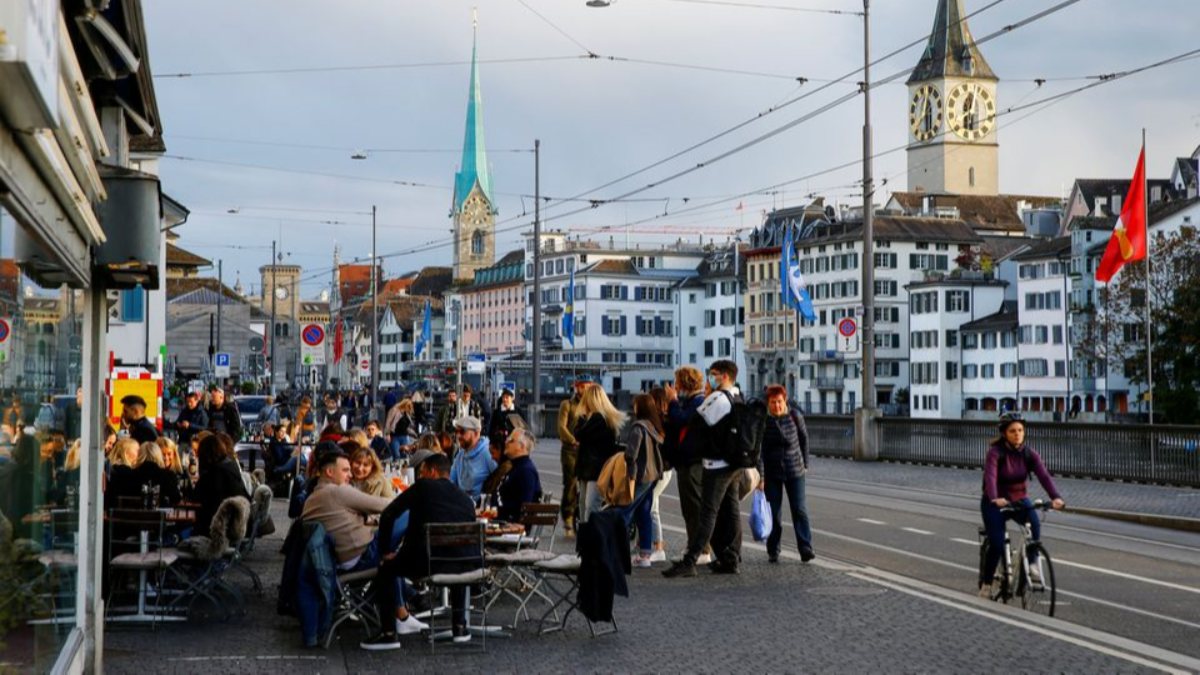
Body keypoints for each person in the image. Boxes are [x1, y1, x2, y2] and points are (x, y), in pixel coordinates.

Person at [366, 452, 478, 649]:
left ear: (432, 472)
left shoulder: (423, 487)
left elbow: (389, 514)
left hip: (425, 562)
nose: (420, 476)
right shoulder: (465, 499)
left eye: (422, 472)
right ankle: (460, 627)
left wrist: (385, 550)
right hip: (464, 565)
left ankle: (389, 634)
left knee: (386, 568)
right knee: (455, 559)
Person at [664, 359, 746, 578]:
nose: (710, 378)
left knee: (707, 512)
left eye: (714, 374)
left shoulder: (718, 398)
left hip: (717, 464)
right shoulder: (738, 395)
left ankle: (691, 560)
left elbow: (694, 423)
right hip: (733, 463)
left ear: (725, 376)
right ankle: (731, 557)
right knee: (731, 511)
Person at [979, 413, 1065, 598]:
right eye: (1012, 431)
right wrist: (994, 497)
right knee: (997, 544)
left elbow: (1044, 476)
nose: (1017, 434)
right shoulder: (995, 452)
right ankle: (986, 584)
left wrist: (1055, 497)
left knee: (1034, 522)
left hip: (1019, 499)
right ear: (1004, 433)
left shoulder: (1029, 454)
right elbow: (991, 477)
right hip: (994, 503)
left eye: (1020, 430)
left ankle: (1033, 564)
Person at [757, 384, 813, 563]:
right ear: (768, 403)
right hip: (772, 473)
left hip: (794, 469)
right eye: (773, 402)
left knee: (800, 510)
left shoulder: (795, 416)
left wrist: (805, 463)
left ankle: (805, 547)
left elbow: (804, 439)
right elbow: (760, 452)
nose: (777, 406)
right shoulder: (764, 421)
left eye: (780, 402)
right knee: (774, 513)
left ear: (785, 401)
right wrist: (761, 477)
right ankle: (773, 549)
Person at [663, 365, 712, 566]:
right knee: (689, 508)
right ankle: (694, 547)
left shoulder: (698, 401)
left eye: (677, 383)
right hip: (687, 462)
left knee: (694, 508)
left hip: (693, 463)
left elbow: (682, 420)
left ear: (684, 383)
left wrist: (673, 401)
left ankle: (700, 550)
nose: (675, 387)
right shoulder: (693, 401)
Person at [620, 393, 665, 568]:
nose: (633, 407)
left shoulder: (638, 427)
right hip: (653, 475)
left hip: (641, 476)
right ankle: (645, 554)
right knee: (643, 513)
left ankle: (618, 552)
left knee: (625, 511)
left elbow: (631, 454)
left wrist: (630, 475)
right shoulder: (654, 427)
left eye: (635, 404)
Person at [573, 385, 627, 524]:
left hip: (594, 470)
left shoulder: (598, 418)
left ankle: (591, 538)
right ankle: (586, 538)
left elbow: (579, 434)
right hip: (592, 469)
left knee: (589, 506)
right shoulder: (604, 418)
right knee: (585, 505)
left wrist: (582, 418)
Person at [192, 433, 250, 536]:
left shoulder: (215, 473)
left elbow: (196, 497)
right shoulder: (230, 466)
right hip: (236, 522)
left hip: (219, 527)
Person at [556, 377, 591, 535]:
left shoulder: (592, 405)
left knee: (587, 485)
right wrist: (572, 440)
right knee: (570, 484)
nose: (584, 390)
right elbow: (561, 427)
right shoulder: (567, 405)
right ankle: (568, 519)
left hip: (586, 450)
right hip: (570, 450)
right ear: (576, 388)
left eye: (587, 386)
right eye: (581, 386)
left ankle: (583, 518)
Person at [647, 387, 674, 562]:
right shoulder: (666, 419)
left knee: (651, 507)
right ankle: (652, 544)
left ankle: (658, 546)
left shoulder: (659, 421)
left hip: (660, 470)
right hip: (664, 470)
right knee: (651, 506)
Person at [495, 429, 542, 523]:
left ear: (521, 446)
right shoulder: (517, 467)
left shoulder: (526, 471)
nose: (506, 442)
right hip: (501, 520)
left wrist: (495, 511)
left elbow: (523, 507)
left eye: (511, 440)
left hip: (510, 526)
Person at [449, 416, 496, 502]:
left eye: (462, 432)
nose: (458, 436)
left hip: (480, 507)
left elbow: (498, 478)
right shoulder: (460, 455)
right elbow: (451, 482)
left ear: (476, 433)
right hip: (460, 506)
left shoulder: (487, 453)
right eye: (456, 431)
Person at [132, 441, 183, 507]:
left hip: (133, 516)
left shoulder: (130, 475)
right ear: (158, 455)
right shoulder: (168, 475)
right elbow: (176, 499)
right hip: (161, 516)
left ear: (140, 455)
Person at [105, 438, 142, 506]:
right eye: (137, 451)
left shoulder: (110, 467)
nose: (140, 454)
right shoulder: (126, 473)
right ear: (126, 453)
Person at [487, 389, 524, 458]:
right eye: (503, 397)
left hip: (515, 443)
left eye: (507, 397)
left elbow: (523, 428)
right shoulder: (497, 412)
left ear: (512, 398)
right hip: (500, 443)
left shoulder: (518, 411)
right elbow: (492, 427)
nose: (505, 399)